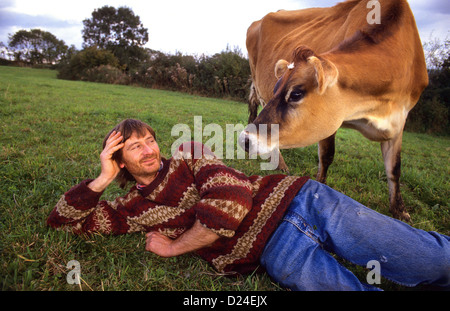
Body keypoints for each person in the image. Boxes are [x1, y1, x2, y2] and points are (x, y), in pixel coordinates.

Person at [47, 118, 450, 291]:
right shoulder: (130, 207)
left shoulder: (187, 152)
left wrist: (175, 245)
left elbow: (231, 199)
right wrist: (101, 181)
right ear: (120, 162)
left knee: (430, 261)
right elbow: (64, 222)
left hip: (301, 201)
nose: (148, 150)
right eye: (134, 147)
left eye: (149, 140)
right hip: (276, 253)